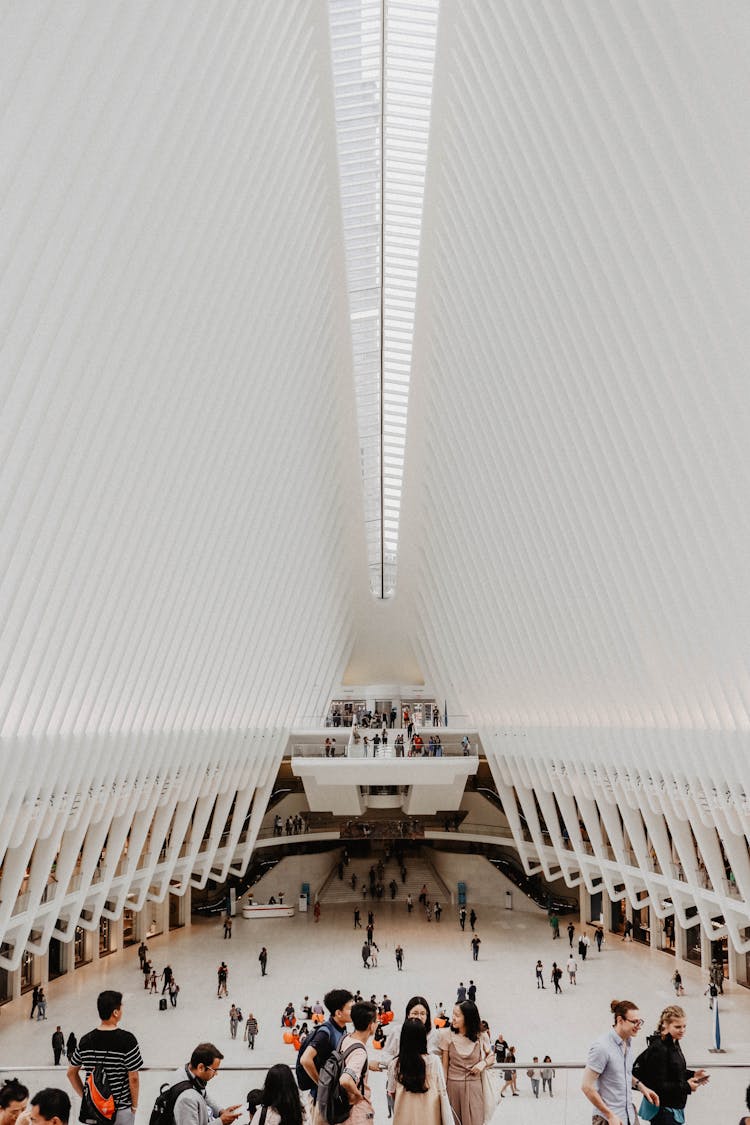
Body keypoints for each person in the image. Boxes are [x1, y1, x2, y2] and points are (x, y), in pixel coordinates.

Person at [67, 990, 143, 1125]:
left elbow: (71, 1073)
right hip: (120, 1108)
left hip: (95, 1110)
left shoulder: (85, 1040)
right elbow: (134, 1078)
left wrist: (88, 1097)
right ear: (115, 1012)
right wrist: (134, 1106)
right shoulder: (127, 1040)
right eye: (121, 1007)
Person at [581, 998, 658, 1125]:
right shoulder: (602, 1047)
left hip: (629, 1115)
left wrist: (642, 1087)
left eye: (640, 1022)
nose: (638, 1027)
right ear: (620, 1020)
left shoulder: (628, 1042)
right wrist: (610, 1115)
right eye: (634, 1022)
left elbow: (624, 1073)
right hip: (608, 1120)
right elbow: (586, 1086)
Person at [632, 1004, 709, 1123]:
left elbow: (673, 1071)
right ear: (665, 1026)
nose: (682, 1030)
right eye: (678, 1027)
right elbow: (658, 1085)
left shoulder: (674, 1042)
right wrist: (687, 1086)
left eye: (684, 1026)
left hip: (672, 1108)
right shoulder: (659, 1049)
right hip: (663, 1111)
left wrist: (693, 1074)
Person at [387, 1018, 452, 1125]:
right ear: (423, 1038)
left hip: (404, 1117)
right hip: (430, 1117)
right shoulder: (434, 1061)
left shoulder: (395, 1064)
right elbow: (442, 1089)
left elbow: (391, 1092)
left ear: (403, 1038)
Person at [440, 1001, 493, 1125]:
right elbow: (445, 1066)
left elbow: (491, 1056)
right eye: (453, 1014)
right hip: (452, 1088)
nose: (453, 1018)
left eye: (457, 1015)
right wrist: (443, 1090)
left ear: (468, 1017)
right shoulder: (447, 1034)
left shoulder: (481, 1035)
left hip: (475, 1088)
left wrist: (483, 1063)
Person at [297, 988, 354, 1106]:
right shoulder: (325, 1032)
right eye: (350, 1008)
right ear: (338, 1013)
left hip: (330, 1097)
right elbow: (305, 1059)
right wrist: (322, 1085)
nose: (354, 1011)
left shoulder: (341, 1028)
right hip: (320, 1100)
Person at [172, 1043, 242, 1125]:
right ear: (201, 1067)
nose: (216, 1074)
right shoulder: (187, 1099)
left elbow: (204, 1095)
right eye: (214, 1070)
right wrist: (221, 1121)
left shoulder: (188, 1073)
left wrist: (221, 1112)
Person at [339, 1001, 377, 1125]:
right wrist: (358, 1095)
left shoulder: (346, 1038)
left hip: (342, 1109)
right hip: (356, 1113)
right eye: (376, 1022)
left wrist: (366, 1065)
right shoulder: (360, 1052)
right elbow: (345, 1079)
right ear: (371, 1025)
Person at [379, 996, 441, 1067]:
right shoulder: (397, 1031)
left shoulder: (434, 1034)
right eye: (415, 1013)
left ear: (427, 1015)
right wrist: (400, 1063)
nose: (419, 1017)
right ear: (408, 1014)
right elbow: (386, 1055)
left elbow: (435, 1060)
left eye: (423, 1014)